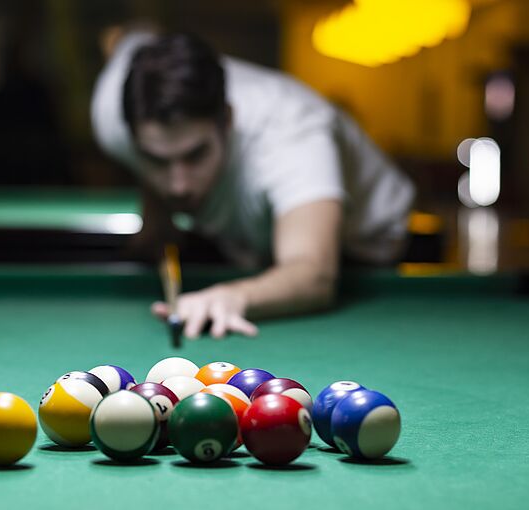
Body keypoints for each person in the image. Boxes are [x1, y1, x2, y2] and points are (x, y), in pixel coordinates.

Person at [91, 29, 415, 339]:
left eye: (196, 155)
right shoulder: (111, 115)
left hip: (360, 246)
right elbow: (135, 33)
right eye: (157, 161)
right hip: (253, 239)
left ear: (228, 121)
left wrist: (236, 296)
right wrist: (157, 219)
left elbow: (313, 273)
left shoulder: (293, 132)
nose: (178, 186)